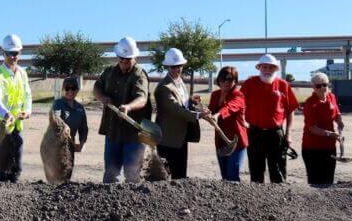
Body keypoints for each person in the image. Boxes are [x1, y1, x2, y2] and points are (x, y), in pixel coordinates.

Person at [94, 36, 151, 183]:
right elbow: (97, 88)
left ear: (134, 57)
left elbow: (142, 98)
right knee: (110, 174)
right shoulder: (109, 72)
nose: (124, 62)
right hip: (113, 131)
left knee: (132, 175)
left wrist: (129, 106)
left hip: (133, 135)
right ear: (117, 56)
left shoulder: (139, 75)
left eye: (128, 59)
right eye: (121, 58)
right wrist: (103, 98)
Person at [240, 54, 298, 183]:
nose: (267, 70)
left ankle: (279, 200)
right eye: (264, 67)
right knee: (256, 172)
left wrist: (288, 134)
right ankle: (257, 200)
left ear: (276, 69)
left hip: (276, 134)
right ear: (259, 68)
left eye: (271, 67)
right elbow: (239, 105)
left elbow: (290, 111)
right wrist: (242, 121)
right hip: (254, 133)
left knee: (278, 172)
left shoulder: (283, 85)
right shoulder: (250, 83)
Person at [154, 48, 208, 179]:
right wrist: (197, 115)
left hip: (180, 138)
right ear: (167, 66)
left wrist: (191, 100)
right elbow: (175, 109)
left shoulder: (180, 82)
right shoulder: (163, 88)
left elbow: (182, 103)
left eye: (179, 66)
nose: (176, 69)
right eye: (173, 67)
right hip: (167, 140)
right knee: (165, 179)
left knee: (180, 176)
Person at [0, 34, 32, 182]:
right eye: (9, 53)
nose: (12, 56)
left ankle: (13, 191)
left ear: (20, 53)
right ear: (3, 53)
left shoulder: (22, 73)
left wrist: (28, 110)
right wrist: (5, 114)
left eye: (15, 53)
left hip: (16, 126)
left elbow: (27, 95)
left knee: (16, 167)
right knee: (0, 169)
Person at [301, 72, 344, 185]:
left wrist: (339, 120)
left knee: (328, 180)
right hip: (312, 148)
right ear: (313, 87)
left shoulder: (332, 97)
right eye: (318, 86)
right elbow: (313, 128)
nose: (322, 88)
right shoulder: (310, 103)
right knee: (315, 182)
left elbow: (336, 113)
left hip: (329, 147)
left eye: (324, 85)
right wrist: (331, 134)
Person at [207, 66, 248, 182]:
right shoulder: (215, 95)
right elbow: (210, 110)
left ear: (235, 81)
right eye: (223, 79)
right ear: (219, 80)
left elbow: (230, 107)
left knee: (232, 177)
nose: (225, 82)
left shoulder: (238, 96)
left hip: (236, 143)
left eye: (230, 79)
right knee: (225, 176)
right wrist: (205, 112)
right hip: (221, 142)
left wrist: (218, 114)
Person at [51, 76, 89, 173]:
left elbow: (83, 128)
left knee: (68, 171)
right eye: (67, 88)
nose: (70, 91)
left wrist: (82, 142)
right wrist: (64, 125)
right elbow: (56, 116)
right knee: (58, 173)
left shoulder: (80, 108)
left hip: (70, 145)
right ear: (63, 89)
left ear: (77, 90)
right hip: (57, 144)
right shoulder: (58, 103)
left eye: (73, 88)